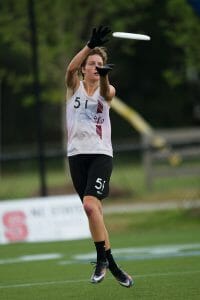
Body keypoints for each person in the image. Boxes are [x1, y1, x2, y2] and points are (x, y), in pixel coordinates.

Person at [65, 25, 133, 288]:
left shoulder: (108, 89)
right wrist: (88, 45)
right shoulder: (74, 87)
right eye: (91, 63)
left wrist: (104, 77)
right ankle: (112, 265)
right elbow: (69, 70)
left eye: (99, 64)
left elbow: (106, 93)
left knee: (90, 206)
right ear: (84, 67)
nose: (94, 66)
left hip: (100, 155)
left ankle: (101, 260)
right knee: (96, 214)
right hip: (76, 156)